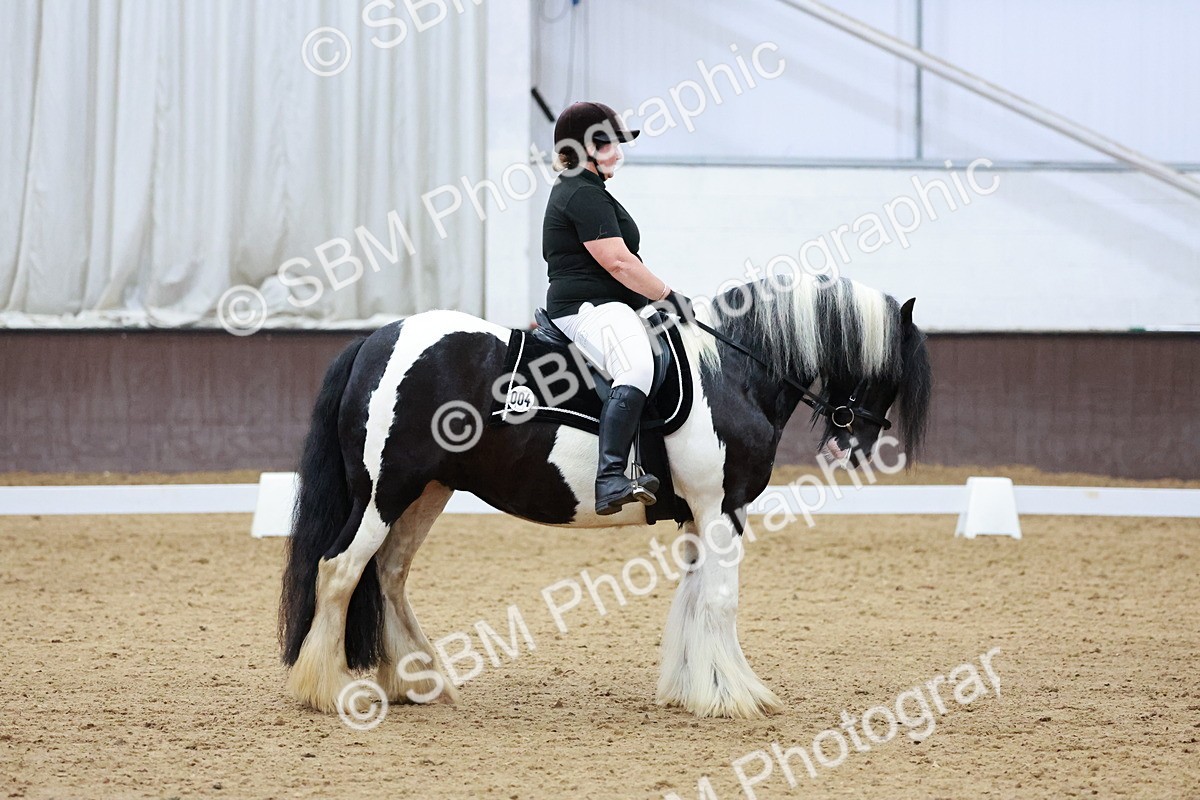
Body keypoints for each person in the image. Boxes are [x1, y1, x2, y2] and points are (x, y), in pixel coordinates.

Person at [542, 101, 693, 515]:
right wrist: (668, 294)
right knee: (636, 366)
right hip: (589, 307)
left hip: (611, 304)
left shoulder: (591, 190)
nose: (618, 153)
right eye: (608, 144)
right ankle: (610, 477)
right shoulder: (580, 193)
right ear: (585, 148)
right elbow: (620, 262)